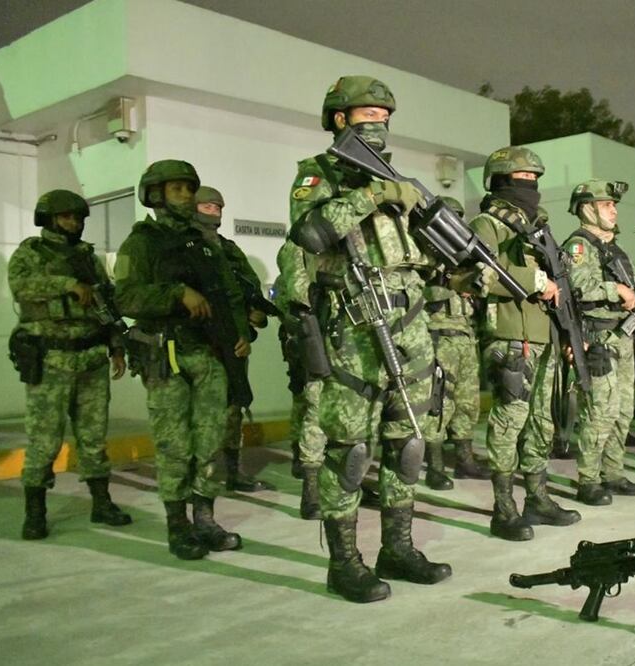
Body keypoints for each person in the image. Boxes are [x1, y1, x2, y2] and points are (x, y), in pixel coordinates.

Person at [288, 75, 452, 602]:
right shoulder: (319, 175)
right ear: (340, 119)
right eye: (366, 113)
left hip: (411, 323)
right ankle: (344, 564)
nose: (378, 121)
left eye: (385, 114)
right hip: (356, 326)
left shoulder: (398, 181)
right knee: (349, 449)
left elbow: (422, 258)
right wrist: (375, 193)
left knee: (408, 443)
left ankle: (397, 550)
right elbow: (310, 233)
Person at [114, 160, 247, 560]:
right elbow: (125, 297)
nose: (187, 197)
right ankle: (178, 526)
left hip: (209, 355)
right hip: (166, 355)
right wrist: (175, 294)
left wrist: (238, 334)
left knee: (210, 441)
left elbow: (228, 294)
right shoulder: (141, 243)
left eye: (190, 190)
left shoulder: (205, 242)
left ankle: (204, 518)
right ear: (155, 194)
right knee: (174, 444)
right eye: (177, 190)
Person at [467, 145, 581, 541]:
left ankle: (538, 498)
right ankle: (504, 509)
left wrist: (566, 335)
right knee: (509, 421)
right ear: (501, 181)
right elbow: (479, 273)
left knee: (541, 422)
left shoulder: (539, 228)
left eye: (535, 180)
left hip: (544, 336)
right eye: (522, 180)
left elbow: (562, 286)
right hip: (511, 337)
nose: (530, 187)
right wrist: (535, 282)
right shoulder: (488, 223)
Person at [8, 189, 132, 540]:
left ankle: (102, 503)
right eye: (66, 217)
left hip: (91, 358)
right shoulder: (30, 253)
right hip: (51, 360)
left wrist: (117, 346)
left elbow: (105, 304)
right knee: (45, 441)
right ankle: (35, 512)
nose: (73, 223)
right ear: (48, 218)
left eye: (77, 218)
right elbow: (21, 286)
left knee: (93, 438)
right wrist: (66, 284)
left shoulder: (87, 258)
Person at [561, 179, 635, 505]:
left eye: (614, 205)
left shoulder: (614, 247)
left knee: (623, 411)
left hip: (623, 335)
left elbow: (634, 286)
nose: (613, 209)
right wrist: (617, 292)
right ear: (588, 208)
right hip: (599, 336)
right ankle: (588, 480)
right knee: (599, 412)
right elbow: (578, 285)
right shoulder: (579, 245)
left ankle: (613, 473)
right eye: (606, 204)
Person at [192, 185, 275, 492]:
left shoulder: (228, 249)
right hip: (200, 345)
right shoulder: (184, 248)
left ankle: (234, 471)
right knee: (200, 413)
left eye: (217, 208)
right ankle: (196, 476)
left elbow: (248, 288)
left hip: (234, 344)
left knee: (233, 408)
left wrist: (253, 316)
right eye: (206, 207)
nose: (213, 212)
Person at [421, 195, 490, 490]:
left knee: (467, 401)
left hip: (465, 334)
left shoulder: (466, 258)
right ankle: (435, 465)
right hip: (438, 336)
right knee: (439, 402)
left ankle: (464, 459)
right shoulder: (425, 255)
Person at [274, 238, 326, 519]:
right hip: (315, 333)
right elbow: (299, 296)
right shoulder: (298, 247)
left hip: (344, 335)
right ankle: (312, 491)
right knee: (314, 408)